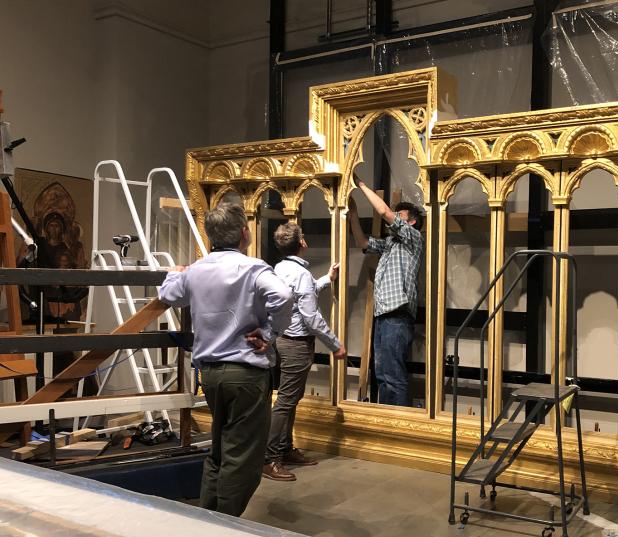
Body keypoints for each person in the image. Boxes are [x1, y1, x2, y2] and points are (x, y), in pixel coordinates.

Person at [159, 203, 293, 517]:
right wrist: (270, 332)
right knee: (243, 455)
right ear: (244, 233)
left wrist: (172, 273)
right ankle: (225, 524)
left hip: (211, 374)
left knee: (219, 449)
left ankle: (208, 515)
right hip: (245, 372)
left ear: (210, 237)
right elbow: (284, 297)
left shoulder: (196, 270)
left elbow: (169, 295)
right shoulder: (253, 268)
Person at [263, 222, 347, 481]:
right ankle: (270, 458)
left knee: (290, 400)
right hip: (296, 344)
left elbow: (302, 293)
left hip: (283, 341)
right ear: (302, 243)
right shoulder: (298, 273)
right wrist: (335, 344)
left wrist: (326, 280)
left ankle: (285, 449)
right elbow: (311, 316)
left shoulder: (282, 268)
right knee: (287, 401)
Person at [347, 177, 423, 407]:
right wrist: (353, 215)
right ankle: (384, 421)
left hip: (397, 317)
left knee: (393, 377)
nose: (393, 218)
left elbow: (383, 211)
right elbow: (362, 242)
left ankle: (396, 424)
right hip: (384, 317)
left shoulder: (413, 239)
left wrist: (359, 185)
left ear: (411, 222)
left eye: (399, 216)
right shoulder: (391, 244)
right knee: (382, 375)